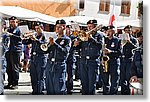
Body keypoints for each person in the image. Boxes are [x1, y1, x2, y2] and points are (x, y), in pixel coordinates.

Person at [73, 19, 103, 95]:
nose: (89, 28)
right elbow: (78, 48)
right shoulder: (84, 34)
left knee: (92, 82)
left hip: (93, 61)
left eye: (91, 27)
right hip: (83, 60)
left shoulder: (99, 35)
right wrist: (76, 44)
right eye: (88, 26)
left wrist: (91, 38)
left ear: (95, 27)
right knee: (84, 82)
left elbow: (100, 46)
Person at [45, 19, 71, 95]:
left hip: (59, 64)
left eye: (59, 27)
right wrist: (47, 45)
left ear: (64, 27)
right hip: (50, 64)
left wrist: (54, 44)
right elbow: (46, 51)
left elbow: (65, 52)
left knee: (59, 88)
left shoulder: (67, 40)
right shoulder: (54, 38)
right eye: (56, 27)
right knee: (49, 87)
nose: (57, 29)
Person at [22, 22, 47, 95]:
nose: (37, 30)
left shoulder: (45, 36)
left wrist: (36, 39)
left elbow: (44, 45)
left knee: (40, 76)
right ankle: (34, 91)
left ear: (42, 28)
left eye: (38, 28)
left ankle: (39, 92)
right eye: (36, 29)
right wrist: (25, 36)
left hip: (41, 58)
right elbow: (25, 42)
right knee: (33, 76)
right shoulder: (35, 36)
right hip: (33, 58)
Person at [101, 26, 121, 95]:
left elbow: (120, 53)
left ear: (114, 32)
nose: (109, 32)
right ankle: (105, 93)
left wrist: (110, 52)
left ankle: (113, 94)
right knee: (104, 79)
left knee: (114, 79)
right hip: (105, 62)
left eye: (111, 31)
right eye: (108, 31)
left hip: (114, 61)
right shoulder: (104, 40)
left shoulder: (118, 40)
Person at [4, 16, 22, 89]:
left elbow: (21, 38)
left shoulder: (18, 30)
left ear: (16, 22)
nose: (12, 23)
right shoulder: (9, 29)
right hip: (8, 50)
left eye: (13, 22)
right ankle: (10, 82)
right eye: (11, 22)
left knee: (15, 68)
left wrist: (11, 35)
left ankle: (15, 83)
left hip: (15, 50)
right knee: (9, 68)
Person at [120, 25, 139, 95]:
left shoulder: (134, 39)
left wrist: (130, 42)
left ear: (131, 32)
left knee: (128, 76)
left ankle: (128, 92)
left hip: (130, 60)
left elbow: (136, 48)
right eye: (126, 31)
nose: (127, 32)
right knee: (122, 77)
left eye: (129, 31)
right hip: (122, 59)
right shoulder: (121, 39)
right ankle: (123, 92)